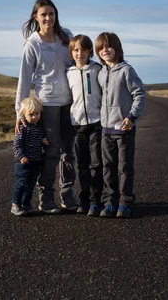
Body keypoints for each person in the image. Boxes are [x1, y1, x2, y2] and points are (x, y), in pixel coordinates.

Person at [15, 0, 77, 214]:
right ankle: (46, 197)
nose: (48, 18)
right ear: (36, 17)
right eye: (44, 14)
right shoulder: (32, 44)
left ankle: (68, 194)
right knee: (52, 151)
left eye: (51, 13)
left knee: (69, 151)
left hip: (70, 103)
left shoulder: (66, 36)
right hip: (48, 103)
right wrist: (18, 113)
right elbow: (24, 80)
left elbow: (80, 61)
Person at [95, 32, 146, 218]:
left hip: (124, 129)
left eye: (108, 46)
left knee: (124, 167)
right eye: (101, 48)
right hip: (106, 129)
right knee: (108, 167)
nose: (105, 50)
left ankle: (124, 202)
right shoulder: (101, 72)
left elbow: (139, 94)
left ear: (117, 48)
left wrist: (131, 117)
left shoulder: (126, 70)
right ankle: (110, 201)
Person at [66, 35, 104, 217]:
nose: (79, 53)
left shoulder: (98, 69)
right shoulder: (68, 73)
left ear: (90, 51)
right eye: (75, 50)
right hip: (78, 125)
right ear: (71, 53)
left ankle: (96, 200)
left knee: (97, 163)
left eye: (83, 50)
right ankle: (84, 199)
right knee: (82, 164)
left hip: (97, 123)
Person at [11, 97, 49, 217]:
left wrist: (43, 141)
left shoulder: (40, 128)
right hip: (23, 162)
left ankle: (26, 204)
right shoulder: (23, 128)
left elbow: (39, 140)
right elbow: (16, 144)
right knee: (21, 183)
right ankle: (15, 204)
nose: (34, 117)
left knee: (31, 185)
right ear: (24, 115)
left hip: (36, 161)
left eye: (37, 113)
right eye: (30, 114)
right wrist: (21, 156)